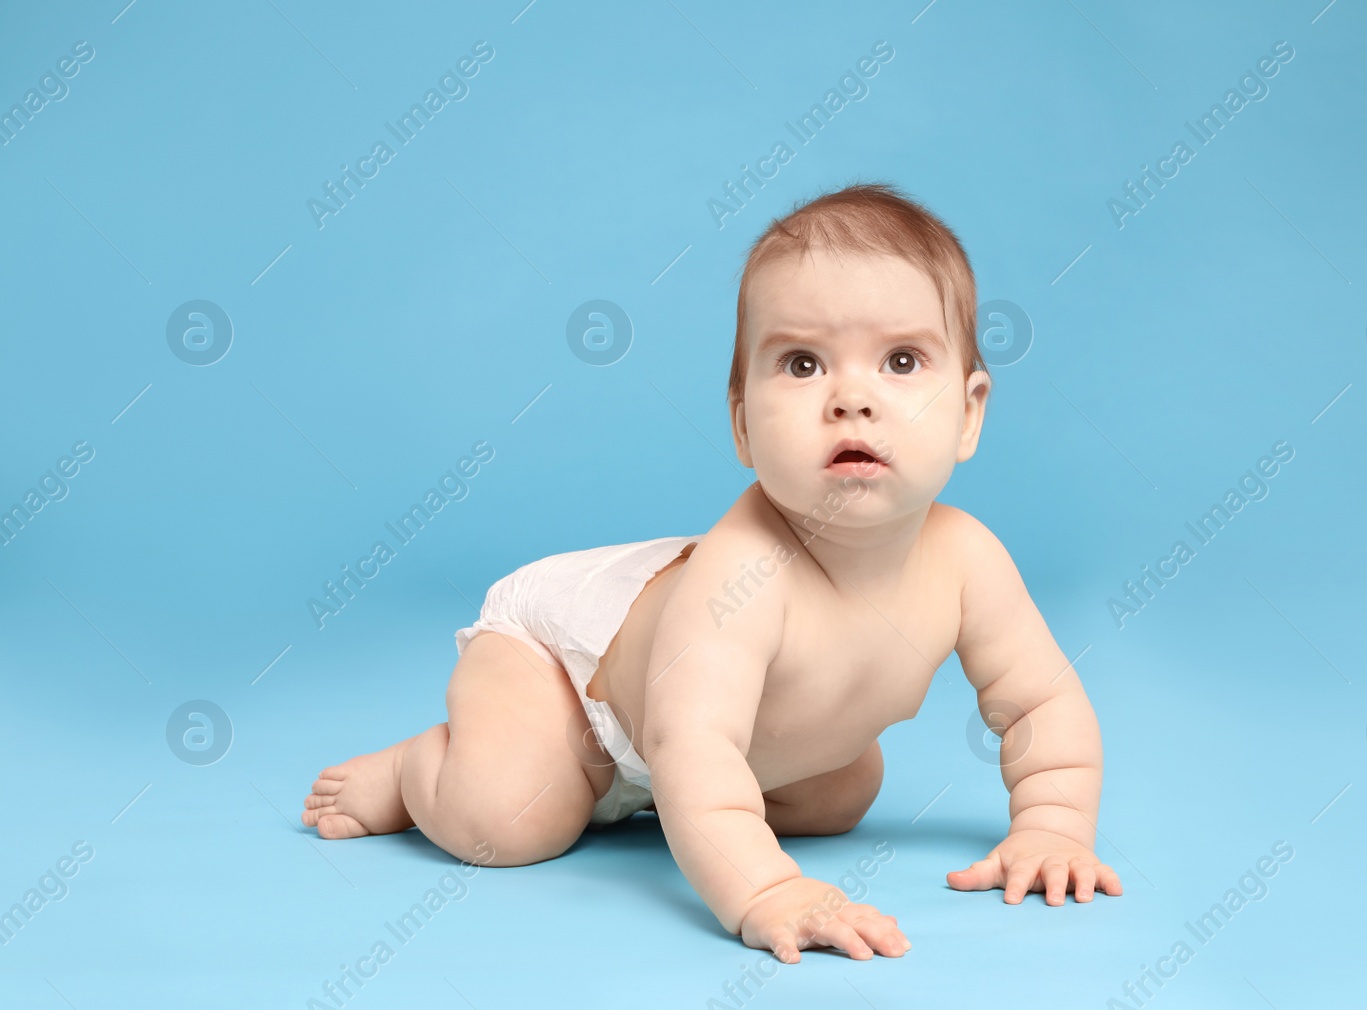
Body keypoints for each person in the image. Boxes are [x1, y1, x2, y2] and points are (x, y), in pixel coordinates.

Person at [302, 181, 1121, 963]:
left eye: (902, 361)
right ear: (741, 425)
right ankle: (415, 769)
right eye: (802, 364)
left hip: (713, 740)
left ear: (970, 411)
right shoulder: (747, 572)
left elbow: (1040, 702)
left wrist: (1051, 826)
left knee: (841, 794)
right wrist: (767, 890)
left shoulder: (968, 557)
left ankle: (654, 802)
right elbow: (689, 741)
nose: (852, 397)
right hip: (574, 671)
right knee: (510, 819)